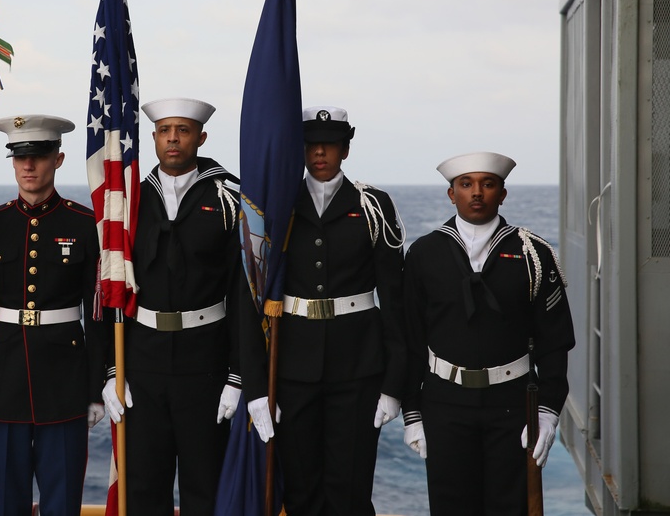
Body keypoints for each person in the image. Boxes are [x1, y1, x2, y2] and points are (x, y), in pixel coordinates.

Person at [101, 97, 262, 516]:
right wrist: (112, 370)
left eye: (183, 130)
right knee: (143, 488)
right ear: (153, 138)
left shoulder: (230, 198)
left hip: (205, 364)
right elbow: (106, 289)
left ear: (201, 137)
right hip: (142, 363)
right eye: (165, 131)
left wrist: (237, 373)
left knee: (204, 487)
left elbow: (245, 293)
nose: (173, 139)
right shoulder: (129, 202)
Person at [400, 152, 575, 515]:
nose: (476, 193)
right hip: (444, 403)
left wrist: (547, 410)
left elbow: (555, 341)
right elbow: (410, 339)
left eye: (487, 184)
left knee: (509, 508)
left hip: (512, 404)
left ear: (503, 194)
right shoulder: (424, 253)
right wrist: (412, 411)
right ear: (452, 195)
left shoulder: (533, 254)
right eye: (466, 185)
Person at [0, 114, 104, 516]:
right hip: (2, 380)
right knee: (4, 501)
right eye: (20, 157)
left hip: (64, 382)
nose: (29, 165)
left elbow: (98, 314)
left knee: (63, 500)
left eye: (38, 155)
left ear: (58, 158)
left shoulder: (84, 224)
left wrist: (95, 388)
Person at [263, 106, 407, 516]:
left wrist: (395, 383)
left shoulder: (373, 205)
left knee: (351, 488)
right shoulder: (279, 204)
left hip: (358, 366)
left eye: (329, 144)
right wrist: (257, 380)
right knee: (301, 486)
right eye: (311, 145)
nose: (320, 152)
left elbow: (394, 300)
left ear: (345, 149)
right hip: (293, 365)